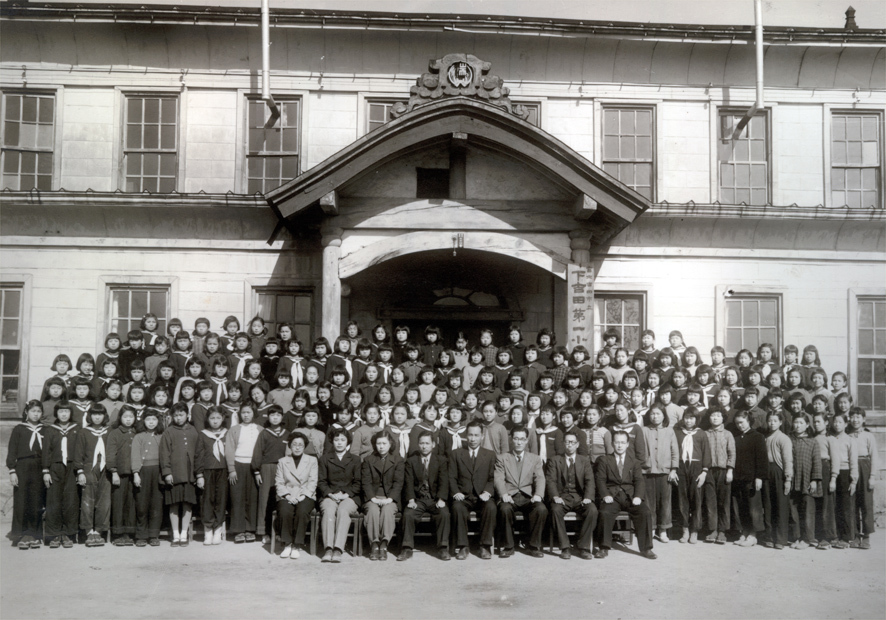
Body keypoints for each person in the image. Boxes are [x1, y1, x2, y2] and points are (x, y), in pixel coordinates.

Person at [593, 429, 656, 560]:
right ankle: (604, 547)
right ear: (612, 444)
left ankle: (646, 548)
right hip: (612, 496)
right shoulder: (604, 460)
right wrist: (605, 494)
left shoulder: (634, 462)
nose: (620, 445)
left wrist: (638, 496)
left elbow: (639, 481)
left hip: (630, 496)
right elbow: (600, 480)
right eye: (617, 442)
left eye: (623, 442)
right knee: (604, 513)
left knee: (645, 512)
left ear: (627, 444)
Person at [494, 425, 548, 558]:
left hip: (528, 497)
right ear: (511, 439)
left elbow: (540, 478)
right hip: (510, 496)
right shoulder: (502, 458)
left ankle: (533, 546)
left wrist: (538, 495)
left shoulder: (534, 459)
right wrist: (504, 494)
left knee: (541, 509)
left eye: (522, 439)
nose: (518, 442)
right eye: (516, 439)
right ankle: (509, 546)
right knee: (504, 509)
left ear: (526, 441)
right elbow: (498, 478)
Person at [398, 430, 451, 561]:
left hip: (434, 499)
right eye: (421, 443)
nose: (424, 446)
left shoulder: (441, 460)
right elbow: (408, 482)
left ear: (433, 444)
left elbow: (444, 481)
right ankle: (406, 548)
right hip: (418, 499)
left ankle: (443, 547)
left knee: (444, 514)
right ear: (418, 444)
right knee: (408, 514)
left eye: (427, 443)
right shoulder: (411, 461)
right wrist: (410, 499)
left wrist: (441, 499)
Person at [545, 429, 597, 560]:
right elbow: (550, 480)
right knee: (555, 510)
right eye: (567, 442)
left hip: (579, 497)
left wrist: (587, 497)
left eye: (572, 442)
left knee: (592, 510)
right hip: (562, 497)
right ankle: (565, 547)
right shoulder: (555, 460)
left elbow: (590, 480)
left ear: (577, 444)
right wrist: (555, 496)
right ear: (563, 443)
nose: (569, 445)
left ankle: (583, 547)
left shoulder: (584, 460)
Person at [449, 419, 497, 560]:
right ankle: (463, 546)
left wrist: (488, 492)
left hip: (483, 496)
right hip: (463, 496)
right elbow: (451, 477)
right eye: (470, 435)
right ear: (466, 435)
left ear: (482, 436)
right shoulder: (456, 454)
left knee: (491, 508)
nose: (473, 439)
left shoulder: (489, 455)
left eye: (476, 435)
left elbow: (493, 477)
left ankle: (484, 546)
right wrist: (456, 492)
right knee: (457, 508)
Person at [318, 427, 362, 563]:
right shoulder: (325, 458)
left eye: (343, 440)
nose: (339, 443)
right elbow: (321, 481)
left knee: (343, 511)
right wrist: (330, 494)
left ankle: (338, 548)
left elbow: (358, 482)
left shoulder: (355, 459)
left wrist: (346, 495)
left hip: (349, 496)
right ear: (332, 441)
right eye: (336, 440)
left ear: (348, 442)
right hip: (329, 495)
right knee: (329, 510)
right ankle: (328, 548)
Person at [7, 400, 46, 549]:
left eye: (39, 411)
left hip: (39, 467)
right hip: (22, 466)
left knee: (36, 501)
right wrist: (12, 471)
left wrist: (45, 469)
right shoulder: (19, 429)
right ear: (26, 413)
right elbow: (12, 451)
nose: (36, 414)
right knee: (21, 500)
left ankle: (34, 534)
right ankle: (20, 534)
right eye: (33, 411)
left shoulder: (45, 430)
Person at [41, 401, 80, 548]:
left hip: (72, 467)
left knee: (71, 501)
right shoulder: (50, 430)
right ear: (56, 413)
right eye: (61, 412)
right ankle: (54, 534)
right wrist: (46, 470)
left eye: (67, 412)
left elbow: (80, 450)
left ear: (71, 413)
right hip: (55, 467)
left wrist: (79, 469)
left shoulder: (77, 429)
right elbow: (46, 451)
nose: (64, 414)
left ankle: (68, 534)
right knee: (54, 500)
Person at [159, 402, 198, 547]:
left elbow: (198, 453)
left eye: (181, 415)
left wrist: (197, 474)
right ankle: (175, 535)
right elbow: (164, 454)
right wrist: (167, 472)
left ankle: (184, 534)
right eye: (175, 415)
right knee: (174, 504)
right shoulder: (168, 432)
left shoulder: (193, 431)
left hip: (189, 475)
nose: (179, 418)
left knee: (188, 504)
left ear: (187, 415)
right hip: (174, 475)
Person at [275, 432, 318, 560]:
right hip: (287, 494)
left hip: (305, 494)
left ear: (304, 446)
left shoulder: (312, 460)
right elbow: (279, 482)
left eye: (300, 445)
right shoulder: (283, 461)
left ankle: (297, 545)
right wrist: (287, 495)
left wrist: (303, 495)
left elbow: (313, 481)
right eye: (294, 444)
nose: (297, 447)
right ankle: (287, 544)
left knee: (302, 511)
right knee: (284, 510)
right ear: (290, 446)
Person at [361, 432, 403, 561]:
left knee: (387, 510)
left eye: (384, 443)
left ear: (390, 444)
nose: (381, 446)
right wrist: (372, 498)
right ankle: (374, 544)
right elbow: (366, 482)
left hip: (390, 497)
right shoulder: (368, 460)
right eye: (378, 443)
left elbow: (398, 482)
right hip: (373, 497)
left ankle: (384, 544)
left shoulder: (398, 460)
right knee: (373, 511)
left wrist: (390, 499)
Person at [74, 403, 112, 547]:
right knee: (88, 501)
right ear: (90, 416)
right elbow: (78, 453)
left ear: (104, 416)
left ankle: (100, 531)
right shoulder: (84, 432)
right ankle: (89, 531)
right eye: (94, 414)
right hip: (89, 468)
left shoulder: (109, 431)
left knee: (104, 501)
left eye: (100, 414)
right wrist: (80, 471)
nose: (97, 417)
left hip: (106, 469)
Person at [225, 403, 262, 543]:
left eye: (249, 412)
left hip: (254, 467)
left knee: (252, 498)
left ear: (254, 413)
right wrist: (232, 469)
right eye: (244, 412)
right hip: (238, 466)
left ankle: (250, 529)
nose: (246, 415)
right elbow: (229, 449)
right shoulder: (234, 430)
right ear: (240, 414)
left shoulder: (260, 429)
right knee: (237, 497)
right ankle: (238, 530)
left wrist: (259, 469)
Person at [251, 405, 288, 544]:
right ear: (268, 417)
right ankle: (264, 532)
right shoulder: (264, 433)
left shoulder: (287, 433)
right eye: (272, 415)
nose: (275, 418)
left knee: (280, 499)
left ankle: (278, 532)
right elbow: (257, 453)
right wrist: (257, 471)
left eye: (278, 415)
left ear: (282, 417)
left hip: (282, 469)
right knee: (265, 500)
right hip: (266, 468)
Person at [673, 407, 710, 544]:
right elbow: (674, 451)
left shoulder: (701, 434)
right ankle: (685, 529)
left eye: (692, 418)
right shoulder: (677, 432)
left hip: (696, 467)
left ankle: (694, 530)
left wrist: (704, 472)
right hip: (681, 466)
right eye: (686, 418)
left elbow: (706, 453)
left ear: (697, 419)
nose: (689, 421)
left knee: (696, 499)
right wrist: (674, 468)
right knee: (682, 499)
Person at [642, 405, 678, 543]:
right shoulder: (644, 430)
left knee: (665, 502)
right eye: (652, 414)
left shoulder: (669, 431)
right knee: (649, 502)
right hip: (648, 471)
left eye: (658, 414)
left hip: (665, 472)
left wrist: (673, 469)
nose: (655, 416)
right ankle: (651, 529)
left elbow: (675, 451)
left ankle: (663, 530)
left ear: (664, 416)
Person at [731, 411, 768, 547]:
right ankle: (744, 532)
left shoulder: (757, 437)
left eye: (742, 422)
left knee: (754, 507)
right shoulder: (735, 437)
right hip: (738, 478)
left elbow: (762, 459)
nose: (739, 425)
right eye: (737, 423)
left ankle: (753, 534)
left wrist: (759, 477)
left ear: (749, 421)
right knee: (741, 507)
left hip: (751, 478)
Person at [194, 407, 229, 546]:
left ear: (223, 419)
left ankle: (218, 530)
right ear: (208, 420)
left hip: (223, 471)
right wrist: (199, 474)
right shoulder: (203, 435)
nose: (215, 421)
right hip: (207, 471)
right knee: (207, 500)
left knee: (220, 500)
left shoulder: (227, 433)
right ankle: (208, 530)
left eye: (218, 418)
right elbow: (199, 455)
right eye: (212, 418)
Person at [789, 415, 821, 550]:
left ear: (807, 425)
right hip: (792, 480)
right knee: (793, 510)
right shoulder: (789, 440)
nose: (797, 425)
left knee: (808, 510)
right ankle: (797, 537)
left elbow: (817, 463)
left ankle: (808, 538)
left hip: (807, 480)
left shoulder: (813, 442)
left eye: (801, 423)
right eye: (795, 422)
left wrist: (814, 480)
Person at [131, 410, 164, 546]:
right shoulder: (138, 437)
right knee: (142, 504)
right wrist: (136, 473)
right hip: (143, 471)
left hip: (158, 471)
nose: (151, 422)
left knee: (156, 504)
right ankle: (141, 535)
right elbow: (135, 455)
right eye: (148, 419)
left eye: (154, 420)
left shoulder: (162, 436)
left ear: (158, 422)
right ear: (143, 421)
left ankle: (154, 534)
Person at [847, 407, 878, 550]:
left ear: (864, 419)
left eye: (858, 417)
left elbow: (874, 457)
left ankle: (866, 536)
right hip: (850, 468)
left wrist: (872, 476)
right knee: (851, 502)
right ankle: (853, 535)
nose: (855, 419)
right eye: (853, 417)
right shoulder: (847, 435)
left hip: (864, 466)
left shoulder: (868, 436)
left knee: (865, 502)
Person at [761, 411, 793, 549]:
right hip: (766, 471)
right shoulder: (765, 437)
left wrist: (788, 478)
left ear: (780, 422)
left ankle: (780, 539)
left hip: (779, 472)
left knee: (781, 505)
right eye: (770, 420)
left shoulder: (784, 438)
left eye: (775, 420)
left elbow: (787, 460)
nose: (772, 423)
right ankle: (769, 536)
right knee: (768, 504)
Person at [703, 407, 735, 544]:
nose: (715, 418)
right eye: (713, 416)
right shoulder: (705, 434)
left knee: (724, 502)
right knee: (711, 502)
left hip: (723, 471)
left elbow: (732, 453)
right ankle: (712, 530)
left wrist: (730, 470)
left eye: (718, 416)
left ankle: (722, 531)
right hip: (709, 471)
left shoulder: (728, 434)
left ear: (723, 418)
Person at [106, 406, 137, 546]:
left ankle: (128, 533)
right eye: (125, 417)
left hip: (134, 474)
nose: (128, 420)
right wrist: (113, 471)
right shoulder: (114, 433)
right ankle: (117, 534)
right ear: (120, 418)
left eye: (131, 417)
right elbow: (111, 454)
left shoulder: (137, 432)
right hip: (119, 474)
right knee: (118, 504)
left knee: (131, 504)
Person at [829, 413, 858, 549]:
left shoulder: (850, 440)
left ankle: (847, 538)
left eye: (840, 422)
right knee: (835, 506)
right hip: (833, 473)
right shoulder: (830, 438)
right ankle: (836, 535)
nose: (837, 425)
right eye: (835, 422)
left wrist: (853, 481)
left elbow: (853, 462)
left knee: (845, 506)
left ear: (846, 424)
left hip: (845, 474)